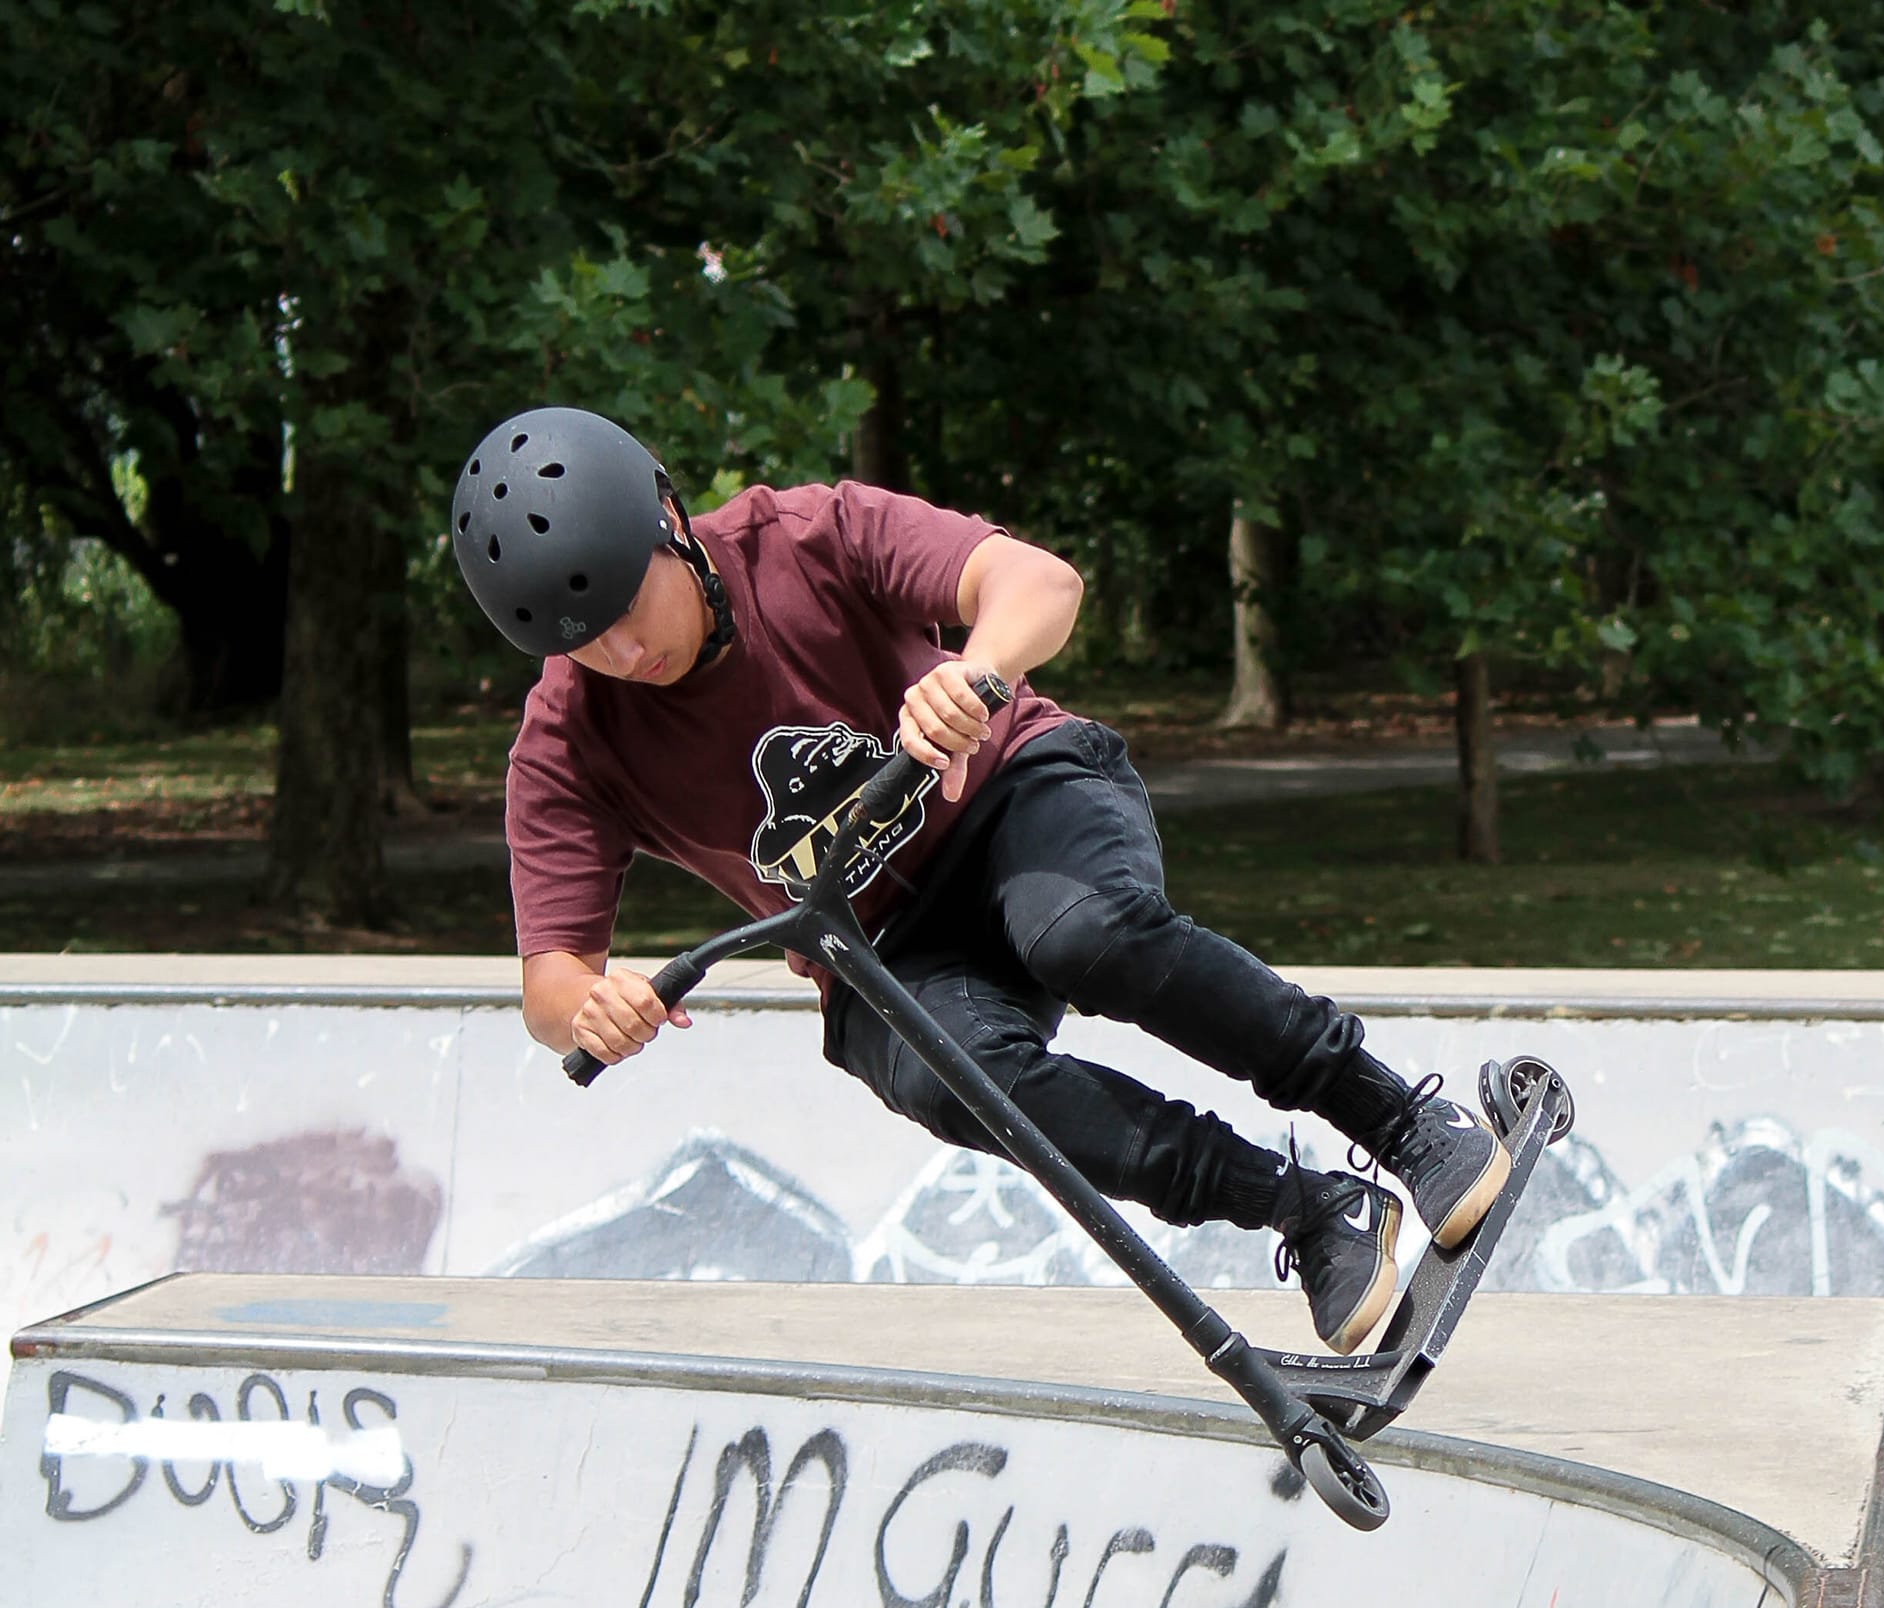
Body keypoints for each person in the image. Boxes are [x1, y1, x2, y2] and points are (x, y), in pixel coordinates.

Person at [452, 405, 1509, 1353]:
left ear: (670, 523)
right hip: (881, 944)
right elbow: (549, 980)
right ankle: (1310, 1211)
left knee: (1081, 934)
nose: (625, 651)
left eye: (628, 604)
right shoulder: (567, 741)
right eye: (585, 643)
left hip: (1015, 794)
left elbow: (1039, 582)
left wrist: (977, 670)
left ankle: (1401, 1123)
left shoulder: (806, 537)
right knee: (946, 1074)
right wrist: (589, 1008)